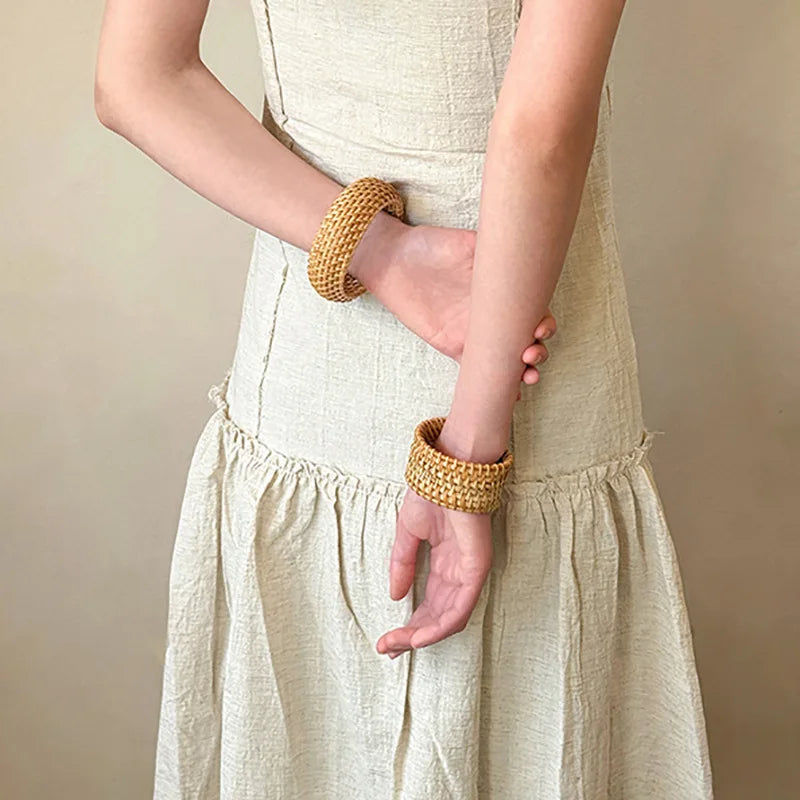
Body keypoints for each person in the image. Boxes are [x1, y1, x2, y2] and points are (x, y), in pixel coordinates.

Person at [95, 0, 714, 797]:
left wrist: (383, 251)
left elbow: (137, 78)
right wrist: (466, 453)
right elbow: (540, 134)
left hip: (309, 373)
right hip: (526, 372)